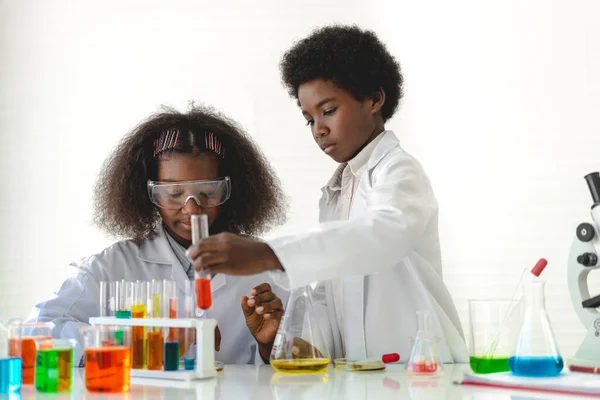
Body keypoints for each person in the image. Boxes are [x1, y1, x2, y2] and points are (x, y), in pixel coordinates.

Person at [186, 25, 469, 362]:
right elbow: (332, 298)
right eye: (309, 119)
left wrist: (267, 254)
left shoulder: (399, 171)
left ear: (374, 99)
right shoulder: (337, 192)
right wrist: (282, 334)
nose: (319, 129)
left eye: (329, 110)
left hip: (425, 372)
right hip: (366, 381)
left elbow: (381, 236)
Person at [27, 105, 288, 364]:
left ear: (231, 189)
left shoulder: (264, 266)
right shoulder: (112, 266)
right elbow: (36, 333)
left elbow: (308, 362)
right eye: (173, 194)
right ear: (148, 193)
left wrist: (270, 346)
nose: (192, 209)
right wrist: (144, 340)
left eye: (208, 191)